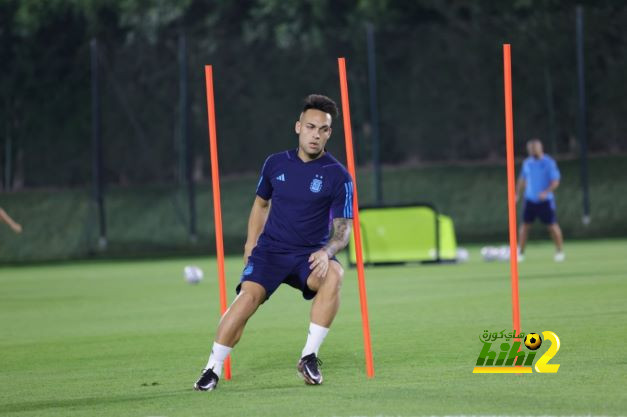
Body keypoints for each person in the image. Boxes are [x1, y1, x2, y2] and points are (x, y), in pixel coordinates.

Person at [194, 94, 354, 391]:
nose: (315, 134)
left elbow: (343, 231)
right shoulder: (275, 163)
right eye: (310, 127)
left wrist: (327, 251)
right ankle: (211, 369)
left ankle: (309, 357)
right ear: (298, 127)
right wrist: (249, 244)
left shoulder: (339, 176)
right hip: (271, 252)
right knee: (246, 301)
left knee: (336, 274)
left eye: (323, 129)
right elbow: (261, 205)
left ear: (329, 133)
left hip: (309, 256)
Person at [516, 139, 564, 262]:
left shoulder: (549, 162)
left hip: (545, 201)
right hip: (530, 200)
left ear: (540, 148)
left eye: (534, 148)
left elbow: (555, 181)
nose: (532, 151)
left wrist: (546, 192)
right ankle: (520, 252)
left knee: (552, 226)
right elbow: (522, 179)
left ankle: (559, 251)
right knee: (524, 227)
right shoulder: (527, 163)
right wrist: (517, 194)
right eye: (530, 149)